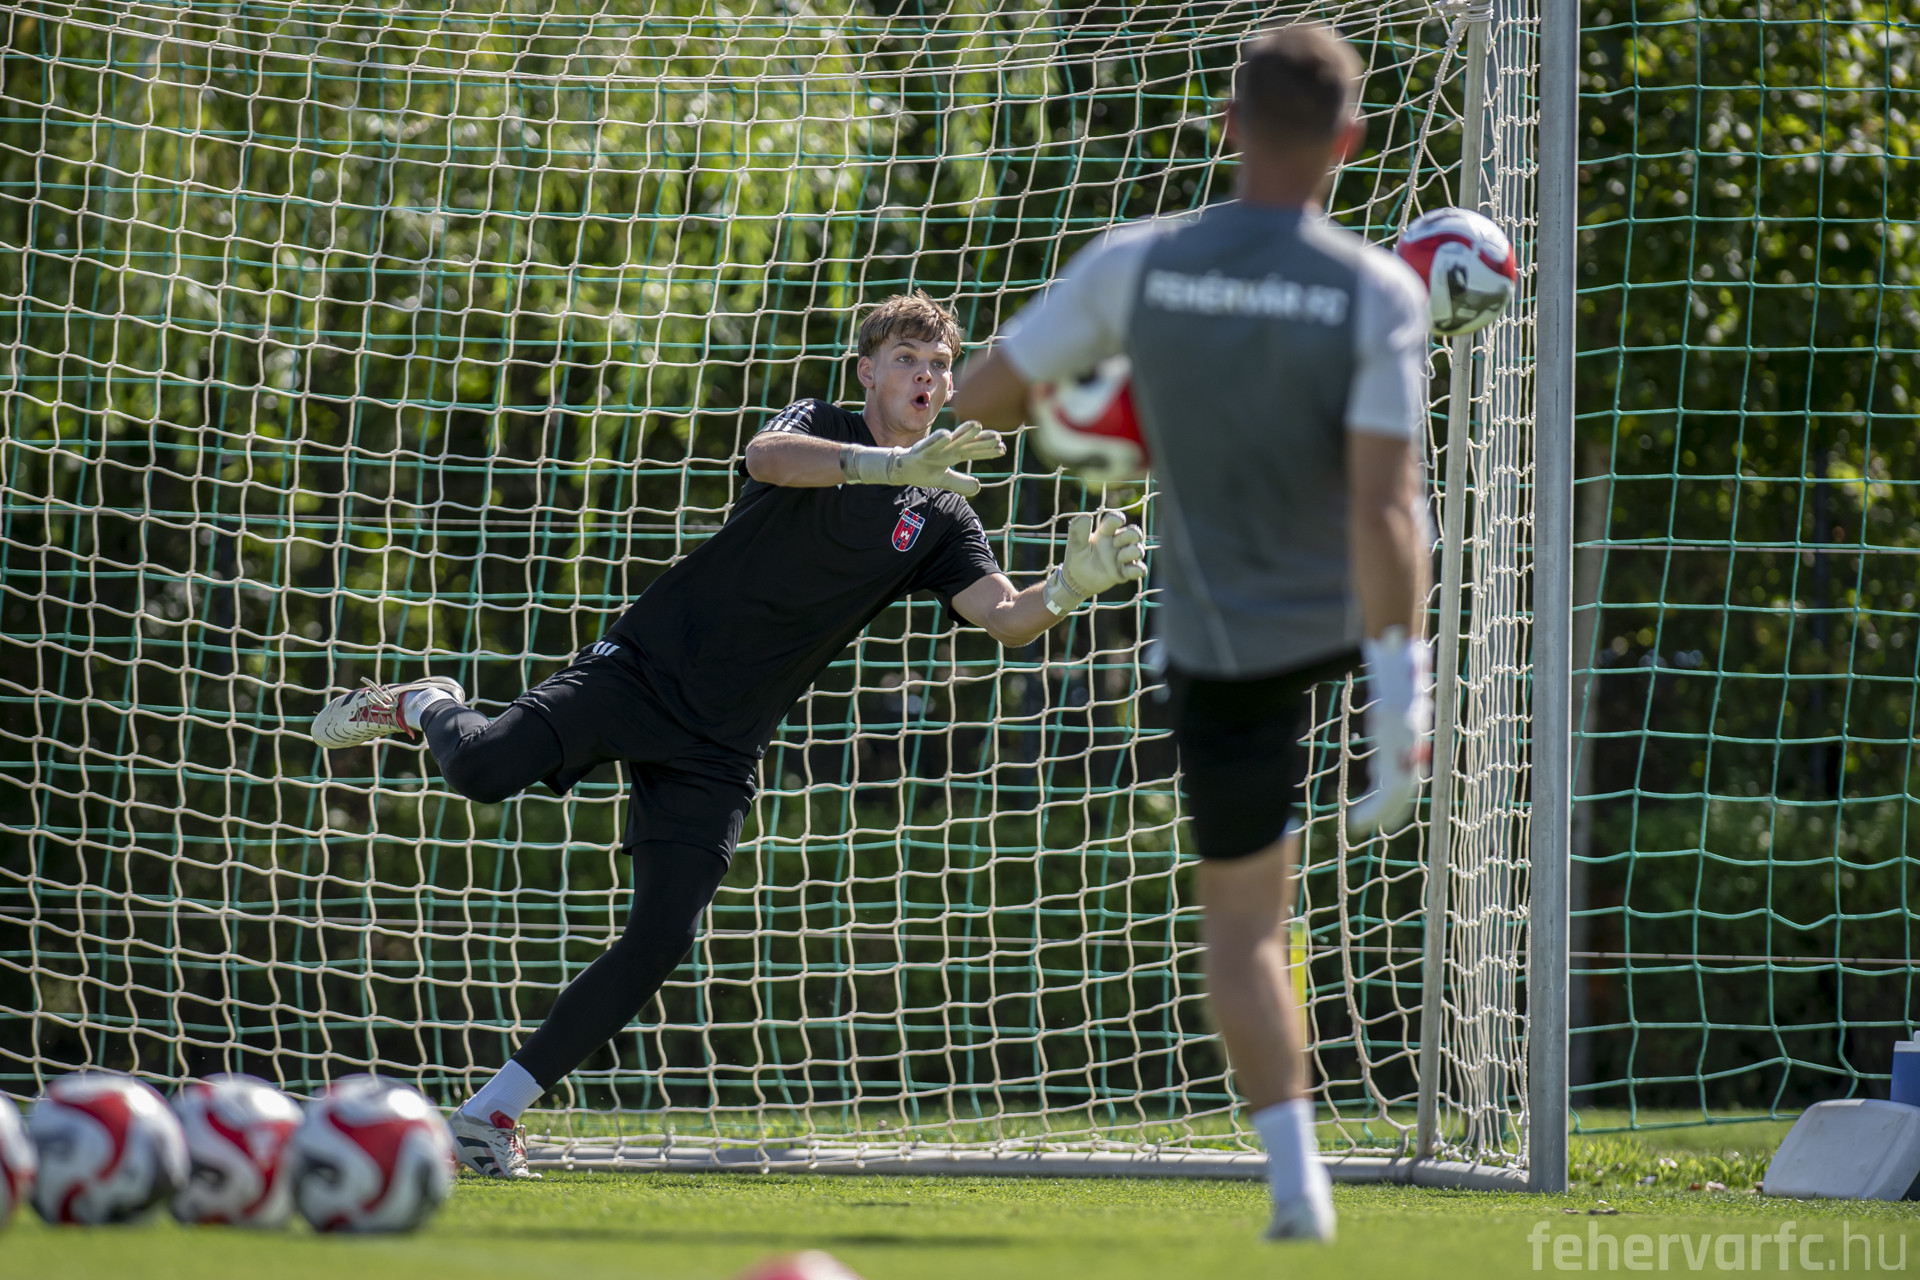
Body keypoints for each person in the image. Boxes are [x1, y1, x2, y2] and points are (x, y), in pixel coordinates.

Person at [310, 291, 1146, 1179]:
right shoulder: (820, 426)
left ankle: (489, 1115)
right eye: (907, 359)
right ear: (867, 372)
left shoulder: (943, 511)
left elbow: (1006, 617)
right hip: (642, 670)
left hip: (721, 742)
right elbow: (767, 458)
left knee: (662, 937)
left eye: (939, 366)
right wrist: (885, 465)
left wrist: (1068, 588)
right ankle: (424, 702)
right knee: (482, 769)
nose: (926, 377)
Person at [950, 25, 1434, 1244]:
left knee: (1244, 927)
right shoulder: (1378, 289)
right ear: (1348, 141)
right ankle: (1402, 717)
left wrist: (1097, 408)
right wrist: (1403, 686)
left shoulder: (1137, 262)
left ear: (1227, 124)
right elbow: (1387, 507)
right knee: (1273, 903)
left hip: (1230, 649)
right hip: (1345, 616)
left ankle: (1300, 1183)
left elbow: (986, 396)